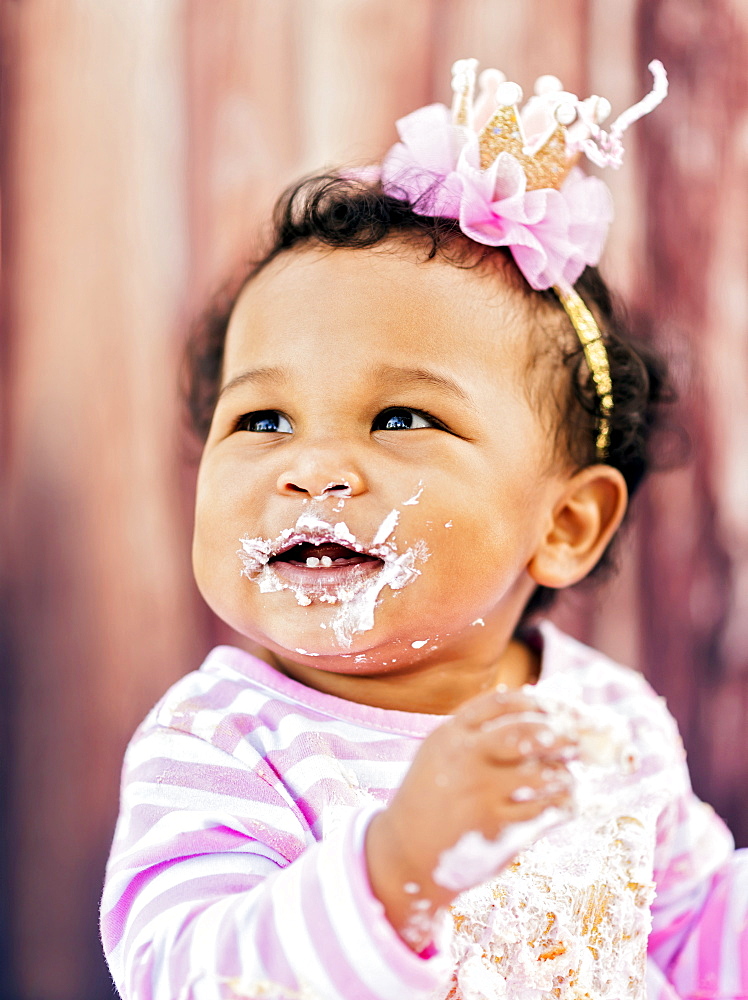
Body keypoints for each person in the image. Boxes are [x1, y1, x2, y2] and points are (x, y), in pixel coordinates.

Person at [100, 59, 747, 1000]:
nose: (310, 466)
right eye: (262, 420)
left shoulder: (606, 719)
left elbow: (694, 936)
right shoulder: (223, 744)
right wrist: (391, 872)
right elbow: (187, 973)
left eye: (402, 419)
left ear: (567, 523)